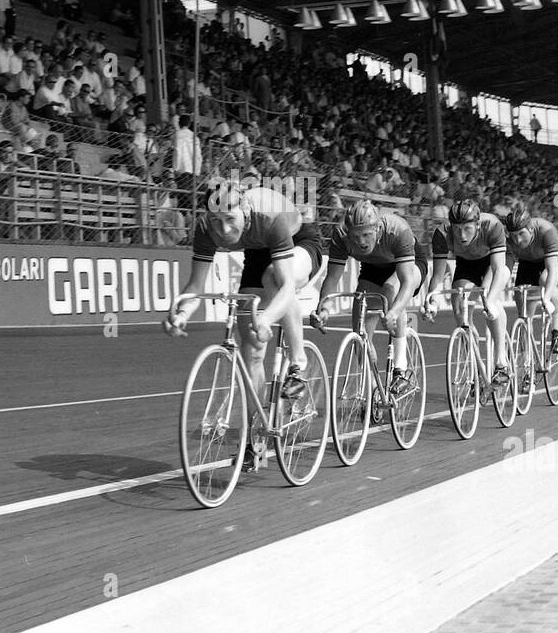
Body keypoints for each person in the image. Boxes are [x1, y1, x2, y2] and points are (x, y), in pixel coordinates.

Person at [164, 181, 325, 473]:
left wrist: (265, 318)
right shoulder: (205, 228)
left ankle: (298, 362)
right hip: (257, 249)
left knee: (273, 280)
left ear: (246, 210)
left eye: (230, 219)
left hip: (297, 241)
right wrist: (182, 312)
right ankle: (257, 436)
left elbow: (288, 285)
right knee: (251, 350)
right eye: (217, 221)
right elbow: (195, 285)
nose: (223, 230)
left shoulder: (269, 218)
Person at [314, 199, 421, 403]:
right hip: (372, 268)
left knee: (392, 289)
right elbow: (332, 278)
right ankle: (373, 390)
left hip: (407, 265)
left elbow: (407, 281)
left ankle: (401, 368)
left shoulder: (397, 230)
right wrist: (324, 308)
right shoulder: (341, 236)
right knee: (360, 328)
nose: (361, 242)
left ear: (377, 228)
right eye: (356, 236)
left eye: (366, 235)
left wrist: (394, 312)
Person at [423, 196, 511, 387]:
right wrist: (430, 301)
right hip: (466, 264)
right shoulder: (442, 234)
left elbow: (498, 270)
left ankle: (501, 362)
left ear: (478, 225)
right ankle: (476, 365)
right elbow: (437, 276)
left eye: (467, 229)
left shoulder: (492, 226)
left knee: (490, 300)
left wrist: (489, 299)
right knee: (459, 309)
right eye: (457, 230)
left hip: (493, 262)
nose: (461, 235)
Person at [503, 199, 558, 355]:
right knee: (523, 306)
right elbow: (505, 266)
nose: (517, 240)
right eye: (513, 235)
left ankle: (557, 326)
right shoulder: (509, 240)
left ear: (530, 228)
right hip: (527, 262)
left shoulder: (546, 231)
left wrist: (546, 298)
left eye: (521, 234)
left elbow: (551, 270)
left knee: (545, 280)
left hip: (554, 258)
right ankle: (527, 357)